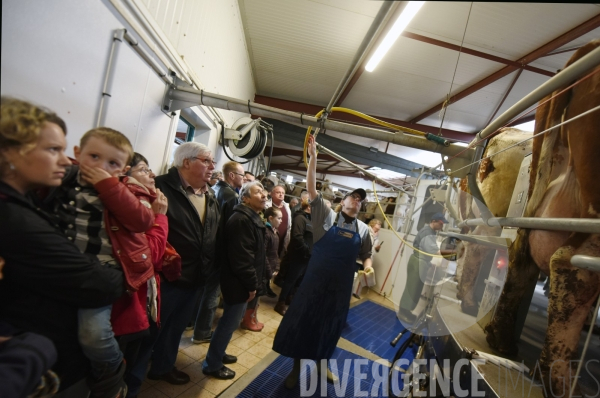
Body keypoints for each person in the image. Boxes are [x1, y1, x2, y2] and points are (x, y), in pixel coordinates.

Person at [0, 98, 124, 392]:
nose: (63, 160)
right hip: (42, 355)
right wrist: (124, 269)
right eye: (53, 149)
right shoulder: (14, 219)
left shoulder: (29, 200)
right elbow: (101, 284)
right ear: (10, 152)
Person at [41, 127, 155, 396]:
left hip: (102, 273)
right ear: (78, 154)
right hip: (63, 269)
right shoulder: (63, 180)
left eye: (112, 163)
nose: (101, 167)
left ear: (123, 169)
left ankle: (113, 369)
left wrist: (109, 186)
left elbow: (143, 220)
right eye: (94, 156)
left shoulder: (124, 189)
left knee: (93, 334)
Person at [273, 136, 373, 389]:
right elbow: (312, 188)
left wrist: (368, 265)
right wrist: (314, 158)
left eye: (360, 199)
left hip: (339, 290)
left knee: (330, 328)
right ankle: (295, 370)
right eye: (353, 197)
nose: (357, 201)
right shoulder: (325, 218)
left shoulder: (363, 229)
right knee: (303, 324)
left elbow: (366, 254)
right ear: (343, 202)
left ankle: (322, 365)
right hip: (314, 284)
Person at [126, 142, 220, 395]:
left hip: (195, 277)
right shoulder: (160, 188)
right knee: (148, 334)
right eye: (207, 161)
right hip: (165, 279)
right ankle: (131, 385)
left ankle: (163, 367)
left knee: (175, 329)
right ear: (186, 162)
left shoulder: (209, 194)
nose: (213, 166)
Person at [202, 181, 267, 380]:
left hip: (239, 280)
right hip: (237, 281)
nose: (264, 195)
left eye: (264, 192)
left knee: (231, 321)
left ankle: (218, 353)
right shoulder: (241, 220)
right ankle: (212, 364)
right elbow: (242, 259)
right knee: (228, 323)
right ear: (245, 198)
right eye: (258, 192)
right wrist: (251, 285)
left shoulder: (250, 217)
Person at [190, 160, 244, 342]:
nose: (243, 178)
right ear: (232, 175)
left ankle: (193, 324)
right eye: (242, 175)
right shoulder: (231, 196)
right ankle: (202, 332)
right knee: (212, 294)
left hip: (208, 248)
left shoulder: (215, 190)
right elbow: (229, 230)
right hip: (219, 252)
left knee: (204, 290)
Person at [398, 212, 450, 322]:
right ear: (434, 221)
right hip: (418, 262)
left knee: (415, 289)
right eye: (440, 224)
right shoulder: (427, 232)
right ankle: (402, 312)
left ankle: (407, 311)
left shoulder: (430, 232)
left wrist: (428, 262)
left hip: (422, 261)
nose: (442, 226)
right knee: (411, 289)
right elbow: (433, 250)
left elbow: (426, 250)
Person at [274, 200, 313, 316]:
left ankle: (289, 298)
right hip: (299, 256)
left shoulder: (311, 220)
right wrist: (307, 251)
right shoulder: (300, 218)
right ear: (309, 207)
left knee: (298, 279)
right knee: (290, 279)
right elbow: (297, 237)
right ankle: (280, 303)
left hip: (307, 257)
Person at [352, 219, 383, 299]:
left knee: (362, 276)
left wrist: (377, 248)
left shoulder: (377, 235)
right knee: (354, 275)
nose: (379, 226)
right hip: (359, 258)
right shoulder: (366, 230)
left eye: (380, 225)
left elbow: (374, 249)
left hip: (368, 258)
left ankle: (356, 293)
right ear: (373, 224)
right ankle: (350, 291)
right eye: (378, 224)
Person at [264, 206, 282, 300]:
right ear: (270, 218)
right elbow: (263, 254)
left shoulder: (275, 232)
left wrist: (277, 266)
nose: (281, 221)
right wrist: (269, 270)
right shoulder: (266, 232)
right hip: (264, 269)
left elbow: (275, 252)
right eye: (279, 218)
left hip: (270, 268)